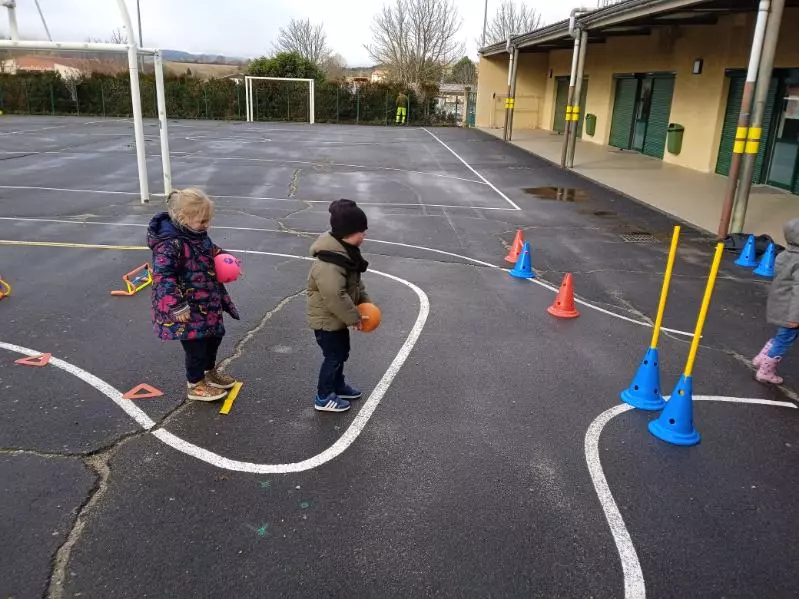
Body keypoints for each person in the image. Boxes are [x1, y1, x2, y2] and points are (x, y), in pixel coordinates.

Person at [148, 188, 240, 401]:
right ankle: (196, 384)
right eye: (202, 221)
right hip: (186, 306)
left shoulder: (196, 233)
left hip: (207, 300)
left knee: (214, 336)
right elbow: (163, 277)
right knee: (196, 345)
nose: (206, 225)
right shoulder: (169, 244)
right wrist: (177, 304)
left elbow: (211, 249)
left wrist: (226, 258)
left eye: (208, 220)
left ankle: (209, 372)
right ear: (182, 218)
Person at [307, 199, 371, 412]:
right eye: (362, 231)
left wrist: (366, 304)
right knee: (333, 356)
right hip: (326, 321)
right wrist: (354, 318)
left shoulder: (346, 254)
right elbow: (335, 295)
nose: (365, 235)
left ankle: (337, 385)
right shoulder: (330, 262)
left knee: (341, 353)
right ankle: (323, 397)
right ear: (349, 232)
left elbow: (356, 284)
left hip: (337, 319)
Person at [753, 218, 799, 384]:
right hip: (792, 311)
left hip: (781, 304)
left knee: (781, 337)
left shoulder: (784, 255)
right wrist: (794, 318)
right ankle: (765, 370)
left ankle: (762, 357)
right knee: (785, 339)